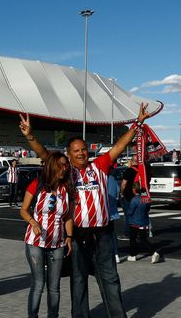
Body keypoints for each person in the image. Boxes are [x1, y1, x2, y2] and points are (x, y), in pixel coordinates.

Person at [19, 102, 152, 318]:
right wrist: (30, 135)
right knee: (78, 281)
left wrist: (137, 123)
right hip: (79, 235)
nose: (81, 153)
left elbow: (119, 146)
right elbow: (44, 154)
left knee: (110, 279)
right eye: (76, 151)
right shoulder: (66, 171)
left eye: (83, 149)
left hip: (104, 233)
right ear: (69, 155)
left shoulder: (99, 165)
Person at [19, 152, 74, 318]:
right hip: (35, 242)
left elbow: (68, 216)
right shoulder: (37, 184)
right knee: (38, 284)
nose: (64, 168)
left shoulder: (68, 188)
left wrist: (69, 237)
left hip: (57, 244)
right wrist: (33, 223)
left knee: (54, 286)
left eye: (66, 165)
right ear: (52, 166)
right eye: (61, 165)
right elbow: (23, 210)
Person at [126, 182, 162, 263]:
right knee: (143, 240)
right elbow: (148, 208)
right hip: (144, 221)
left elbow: (130, 211)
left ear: (134, 190)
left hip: (134, 222)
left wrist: (127, 213)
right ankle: (154, 252)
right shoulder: (146, 199)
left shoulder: (134, 200)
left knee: (132, 239)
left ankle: (133, 255)